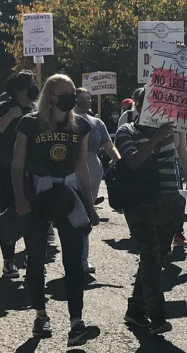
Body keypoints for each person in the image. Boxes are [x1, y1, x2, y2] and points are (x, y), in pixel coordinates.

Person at [12, 75, 101, 346]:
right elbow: (18, 163)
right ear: (50, 96)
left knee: (73, 260)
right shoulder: (29, 123)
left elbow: (81, 166)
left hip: (69, 193)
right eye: (66, 92)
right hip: (40, 191)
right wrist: (18, 197)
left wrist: (89, 203)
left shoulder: (81, 124)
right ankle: (40, 314)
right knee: (36, 257)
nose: (72, 97)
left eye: (74, 92)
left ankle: (76, 323)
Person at [115, 87, 187, 335]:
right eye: (149, 102)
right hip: (140, 202)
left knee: (158, 257)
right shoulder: (125, 131)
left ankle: (135, 310)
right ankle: (157, 318)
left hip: (170, 200)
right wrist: (156, 138)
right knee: (150, 255)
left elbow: (181, 149)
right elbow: (133, 161)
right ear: (138, 106)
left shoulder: (171, 129)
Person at [0, 70, 40, 278]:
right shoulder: (1, 109)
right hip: (5, 170)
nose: (35, 88)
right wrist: (11, 116)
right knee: (11, 213)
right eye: (30, 84)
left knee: (36, 214)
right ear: (18, 90)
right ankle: (9, 260)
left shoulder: (39, 110)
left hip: (34, 170)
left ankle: (33, 258)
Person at [74, 87, 120, 273]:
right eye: (81, 99)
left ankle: (82, 258)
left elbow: (110, 147)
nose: (86, 102)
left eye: (88, 98)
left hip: (92, 167)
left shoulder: (97, 122)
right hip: (71, 166)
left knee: (86, 213)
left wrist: (122, 164)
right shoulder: (65, 119)